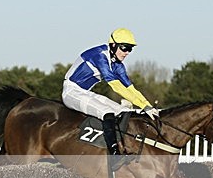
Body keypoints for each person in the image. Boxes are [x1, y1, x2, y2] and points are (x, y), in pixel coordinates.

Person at [62, 28, 159, 169]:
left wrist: (147, 105)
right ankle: (114, 155)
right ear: (113, 45)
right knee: (108, 112)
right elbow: (116, 87)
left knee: (123, 111)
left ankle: (123, 145)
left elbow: (130, 88)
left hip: (84, 92)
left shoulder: (117, 64)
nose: (127, 52)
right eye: (125, 48)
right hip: (71, 92)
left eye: (130, 49)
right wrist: (143, 106)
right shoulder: (100, 56)